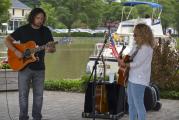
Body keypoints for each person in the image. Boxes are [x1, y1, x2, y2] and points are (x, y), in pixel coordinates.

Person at [4, 8, 56, 120]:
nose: (40, 20)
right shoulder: (23, 30)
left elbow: (52, 49)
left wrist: (49, 49)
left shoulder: (46, 31)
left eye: (42, 18)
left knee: (39, 96)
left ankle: (37, 117)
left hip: (40, 68)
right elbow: (7, 40)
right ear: (32, 17)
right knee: (23, 95)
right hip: (23, 67)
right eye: (38, 18)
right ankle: (23, 117)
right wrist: (16, 51)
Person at [118, 23, 154, 120]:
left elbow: (137, 63)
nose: (133, 37)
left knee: (138, 104)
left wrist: (125, 64)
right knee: (131, 104)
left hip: (139, 80)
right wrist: (122, 60)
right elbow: (129, 56)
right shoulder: (137, 46)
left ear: (143, 34)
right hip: (132, 78)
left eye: (135, 35)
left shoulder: (146, 48)